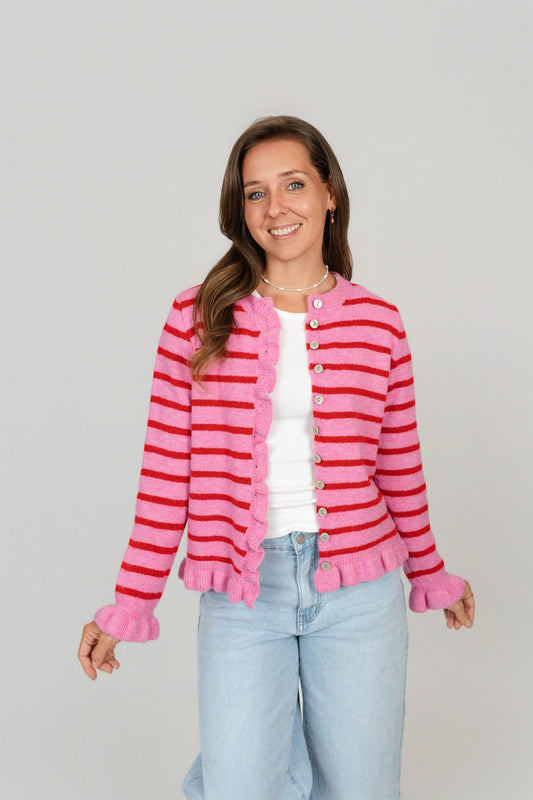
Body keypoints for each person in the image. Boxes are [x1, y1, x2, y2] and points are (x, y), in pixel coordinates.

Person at [78, 115, 475, 800]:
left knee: (361, 787)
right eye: (255, 193)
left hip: (358, 590)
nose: (275, 207)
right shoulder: (197, 317)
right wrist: (130, 602)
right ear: (240, 211)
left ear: (329, 194)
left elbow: (398, 466)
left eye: (293, 184)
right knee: (239, 784)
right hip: (243, 589)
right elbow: (167, 472)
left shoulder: (378, 321)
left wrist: (431, 571)